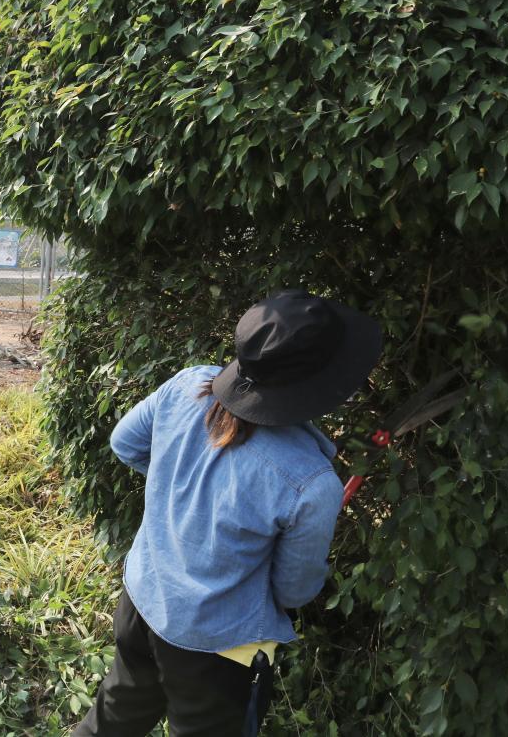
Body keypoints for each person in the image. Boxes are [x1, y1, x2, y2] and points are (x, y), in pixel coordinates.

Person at [72, 289, 382, 737]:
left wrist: (177, 494)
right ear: (320, 384)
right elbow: (293, 591)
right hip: (216, 650)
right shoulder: (310, 482)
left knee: (115, 717)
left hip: (144, 600)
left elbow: (125, 443)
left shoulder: (187, 385)